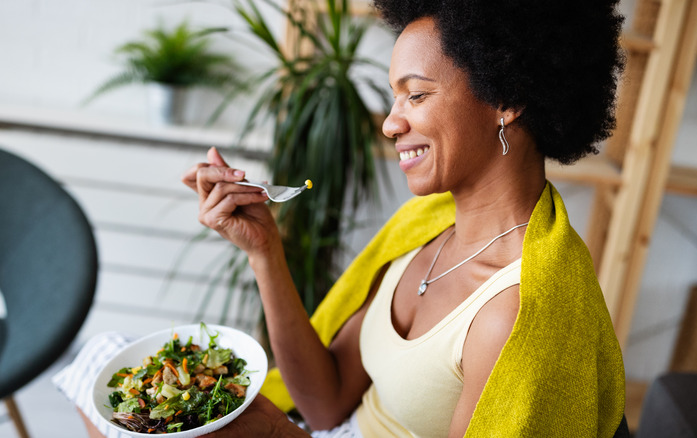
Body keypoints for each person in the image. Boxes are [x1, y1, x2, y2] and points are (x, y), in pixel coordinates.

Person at [59, 0, 626, 436]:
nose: (390, 124)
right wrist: (265, 250)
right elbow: (326, 400)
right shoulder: (425, 227)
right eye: (393, 97)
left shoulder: (517, 314)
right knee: (104, 359)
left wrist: (275, 434)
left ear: (508, 97)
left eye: (417, 96)